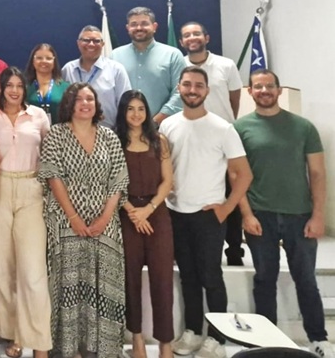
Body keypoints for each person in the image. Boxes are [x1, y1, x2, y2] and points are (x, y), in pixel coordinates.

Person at [234, 70, 334, 358]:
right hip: (260, 215)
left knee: (306, 280)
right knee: (265, 279)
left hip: (299, 216)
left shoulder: (303, 128)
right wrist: (246, 215)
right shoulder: (240, 128)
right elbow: (236, 175)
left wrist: (318, 216)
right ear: (250, 92)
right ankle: (267, 340)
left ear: (279, 91)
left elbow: (317, 173)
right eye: (258, 86)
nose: (264, 90)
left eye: (270, 86)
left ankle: (318, 338)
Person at [159, 67, 252, 358]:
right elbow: (163, 168)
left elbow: (244, 174)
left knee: (211, 277)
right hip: (176, 212)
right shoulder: (168, 126)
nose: (192, 90)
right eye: (187, 84)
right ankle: (192, 331)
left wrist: (226, 208)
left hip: (209, 215)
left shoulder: (223, 128)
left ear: (207, 91)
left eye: (198, 85)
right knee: (187, 276)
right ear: (179, 88)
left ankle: (216, 337)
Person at [38, 83, 129, 358]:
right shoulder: (56, 134)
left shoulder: (109, 136)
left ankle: (101, 348)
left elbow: (119, 180)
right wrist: (74, 217)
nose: (85, 103)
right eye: (79, 99)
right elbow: (52, 176)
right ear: (69, 103)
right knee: (68, 284)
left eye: (90, 98)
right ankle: (67, 348)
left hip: (105, 226)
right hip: (66, 223)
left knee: (104, 285)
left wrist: (105, 218)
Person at [0, 67, 52, 358]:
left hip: (30, 188)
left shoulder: (38, 116)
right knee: (3, 267)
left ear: (25, 89)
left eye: (19, 85)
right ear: (0, 87)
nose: (14, 90)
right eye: (8, 85)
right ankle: (14, 335)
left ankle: (39, 340)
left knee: (33, 271)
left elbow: (49, 153)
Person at [114, 91, 175, 358]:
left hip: (156, 213)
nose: (136, 114)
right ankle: (137, 339)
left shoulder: (159, 140)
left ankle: (165, 343)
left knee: (162, 279)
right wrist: (132, 212)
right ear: (123, 112)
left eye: (141, 108)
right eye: (130, 109)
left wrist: (148, 210)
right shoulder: (114, 141)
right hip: (126, 215)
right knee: (130, 278)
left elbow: (167, 181)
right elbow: (111, 183)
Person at [180, 21, 245, 265]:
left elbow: (234, 101)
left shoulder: (226, 65)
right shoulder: (179, 65)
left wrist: (222, 125)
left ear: (206, 37)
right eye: (187, 35)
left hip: (221, 137)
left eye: (196, 33)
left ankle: (234, 251)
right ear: (181, 42)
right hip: (190, 136)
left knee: (229, 192)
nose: (192, 38)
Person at [111, 7, 186, 124]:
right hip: (123, 129)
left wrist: (154, 122)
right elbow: (110, 93)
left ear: (154, 27)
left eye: (144, 23)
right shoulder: (114, 56)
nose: (139, 28)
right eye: (134, 24)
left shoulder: (173, 55)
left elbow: (180, 92)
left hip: (163, 127)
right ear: (128, 28)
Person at [61, 25, 131, 129]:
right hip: (73, 133)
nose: (91, 44)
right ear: (78, 43)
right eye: (86, 40)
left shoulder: (116, 69)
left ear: (103, 44)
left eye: (96, 41)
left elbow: (126, 104)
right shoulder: (68, 70)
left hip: (110, 133)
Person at [24, 43, 69, 124]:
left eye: (48, 58)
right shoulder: (25, 87)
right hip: (31, 131)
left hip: (59, 131)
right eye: (39, 58)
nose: (44, 61)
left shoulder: (66, 88)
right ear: (33, 61)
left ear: (54, 61)